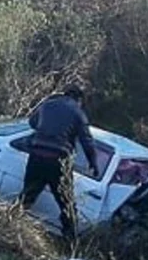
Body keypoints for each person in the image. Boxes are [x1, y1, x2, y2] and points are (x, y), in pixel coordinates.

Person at [19, 80, 99, 243]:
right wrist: (93, 163)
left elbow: (32, 123)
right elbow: (87, 142)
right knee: (67, 205)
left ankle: (10, 223)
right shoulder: (78, 113)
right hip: (59, 163)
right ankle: (70, 242)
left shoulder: (48, 105)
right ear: (79, 99)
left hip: (37, 157)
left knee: (27, 195)